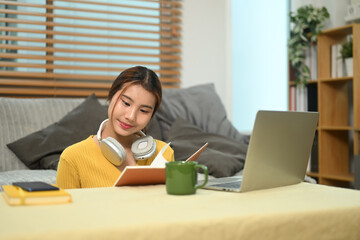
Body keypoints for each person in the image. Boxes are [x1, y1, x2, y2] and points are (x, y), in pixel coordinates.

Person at [56, 66, 174, 189]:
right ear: (111, 95)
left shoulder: (164, 154)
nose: (131, 116)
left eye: (143, 110)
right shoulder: (72, 158)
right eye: (126, 103)